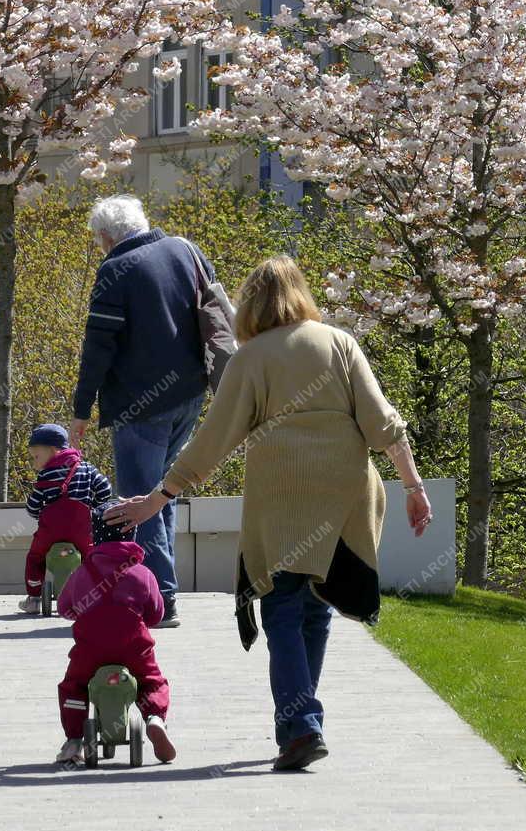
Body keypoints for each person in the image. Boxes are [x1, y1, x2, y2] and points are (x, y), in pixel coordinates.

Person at [107, 256, 434, 772]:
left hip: (282, 494)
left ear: (251, 305)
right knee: (316, 606)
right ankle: (302, 722)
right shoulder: (339, 343)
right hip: (345, 493)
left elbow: (211, 443)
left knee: (280, 604)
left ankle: (300, 725)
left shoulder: (250, 358)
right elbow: (383, 424)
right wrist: (414, 487)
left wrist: (156, 498)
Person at [70, 194, 222, 629]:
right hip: (189, 397)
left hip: (141, 406)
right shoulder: (183, 248)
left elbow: (98, 347)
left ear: (106, 236)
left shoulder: (115, 270)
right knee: (163, 493)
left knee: (140, 500)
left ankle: (159, 601)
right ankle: (163, 591)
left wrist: (82, 408)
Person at [55, 505, 176, 765]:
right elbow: (156, 613)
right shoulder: (143, 574)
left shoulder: (82, 573)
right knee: (151, 681)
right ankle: (155, 718)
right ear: (132, 535)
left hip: (91, 649)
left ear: (94, 536)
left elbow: (65, 608)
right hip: (134, 647)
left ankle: (75, 741)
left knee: (73, 686)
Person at [19, 423, 113, 614]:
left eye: (36, 456)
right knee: (92, 558)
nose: (34, 462)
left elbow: (32, 506)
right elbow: (105, 489)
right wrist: (94, 508)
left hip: (50, 532)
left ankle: (35, 597)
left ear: (53, 450)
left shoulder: (45, 475)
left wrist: (39, 515)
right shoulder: (86, 468)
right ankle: (95, 593)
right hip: (82, 530)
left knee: (36, 557)